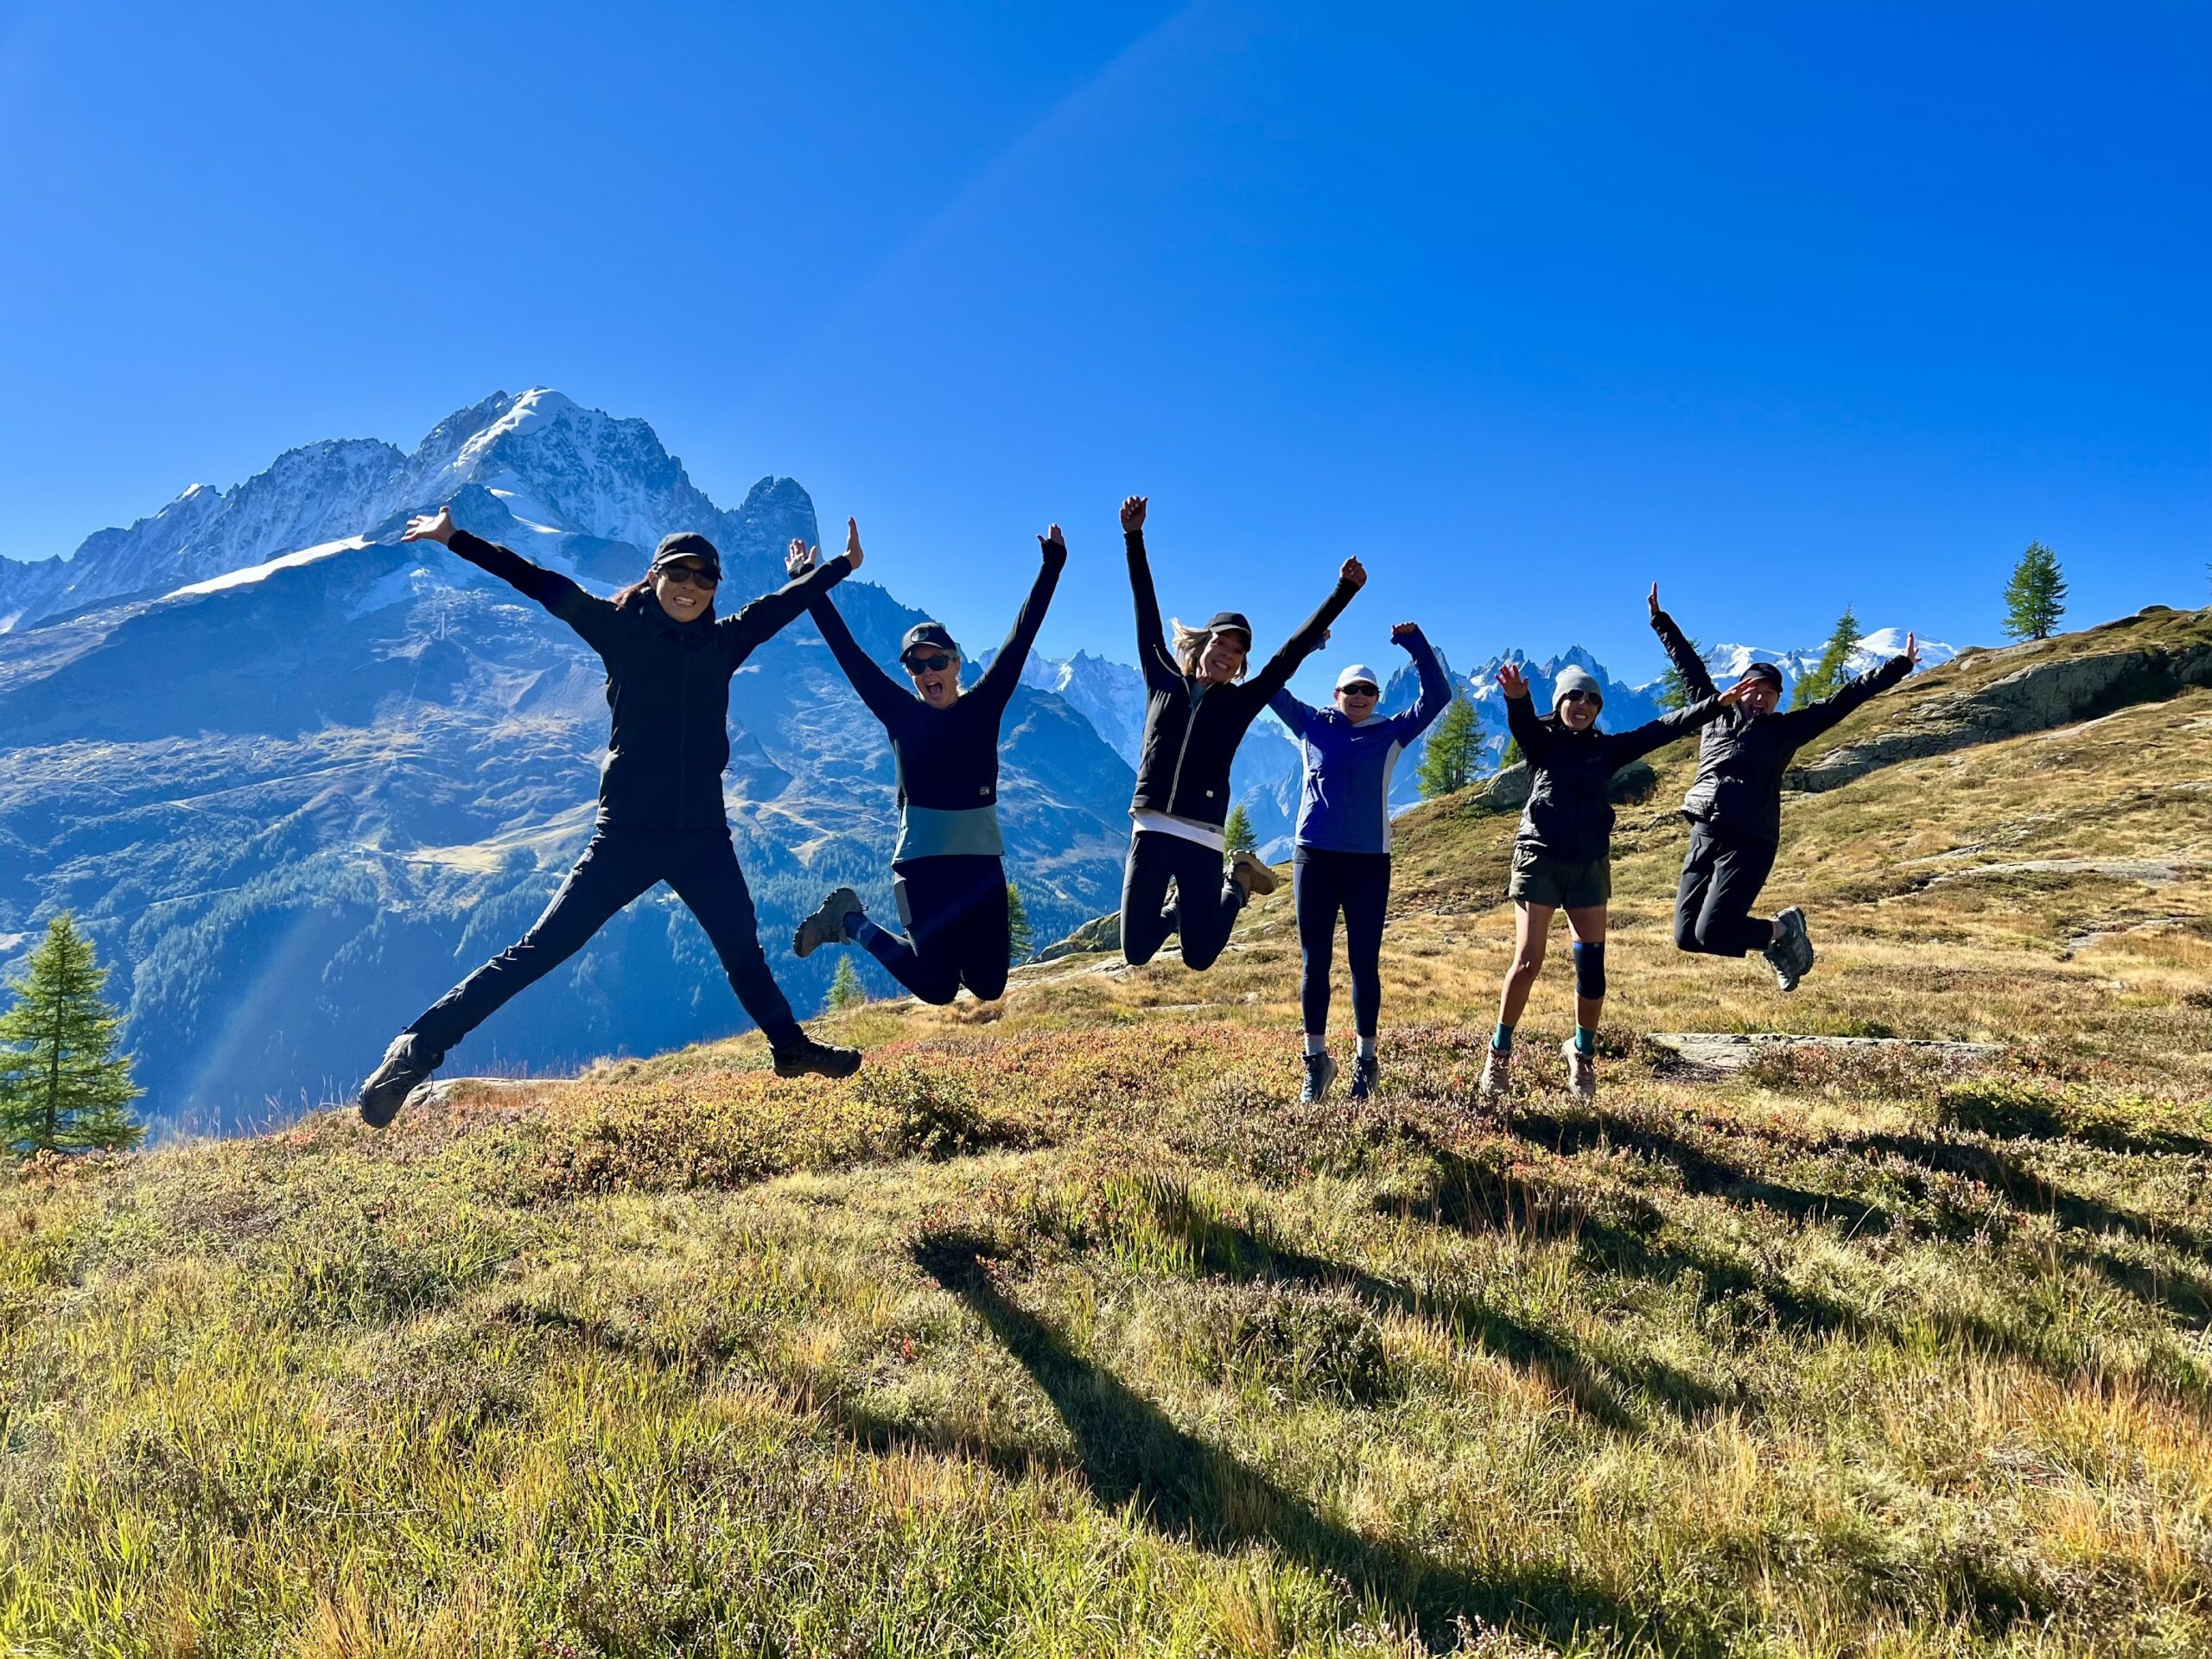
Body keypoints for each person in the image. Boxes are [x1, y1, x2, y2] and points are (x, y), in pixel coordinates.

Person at [354, 508, 866, 1127]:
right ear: (654, 578)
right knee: (540, 950)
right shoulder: (618, 631)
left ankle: (789, 1049)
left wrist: (841, 566)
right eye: (679, 573)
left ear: (713, 591)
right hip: (625, 835)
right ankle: (414, 1051)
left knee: (743, 952)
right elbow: (537, 580)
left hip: (702, 837)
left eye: (705, 580)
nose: (691, 587)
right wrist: (454, 537)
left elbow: (786, 603)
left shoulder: (725, 641)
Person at [788, 521, 1068, 1003]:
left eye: (936, 661)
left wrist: (1052, 567)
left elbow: (1021, 638)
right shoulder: (899, 712)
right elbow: (847, 652)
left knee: (990, 985)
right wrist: (805, 582)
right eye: (915, 666)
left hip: (980, 867)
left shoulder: (984, 705)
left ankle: (869, 926)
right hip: (922, 868)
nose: (927, 673)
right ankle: (849, 921)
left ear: (957, 664)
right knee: (938, 989)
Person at [1117, 494, 1365, 971]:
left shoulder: (1240, 702)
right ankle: (1175, 911)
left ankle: (1238, 883)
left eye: (1237, 652)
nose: (1227, 655)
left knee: (1200, 956)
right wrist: (1134, 537)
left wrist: (1342, 592)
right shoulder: (1163, 679)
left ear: (1241, 664)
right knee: (1135, 949)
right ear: (1201, 643)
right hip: (1150, 827)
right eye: (1221, 643)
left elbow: (1289, 655)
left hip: (1203, 836)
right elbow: (1146, 610)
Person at [1479, 660, 1741, 1103]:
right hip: (1539, 858)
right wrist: (1517, 699)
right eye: (1574, 696)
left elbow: (1663, 728)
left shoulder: (1609, 749)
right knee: (1528, 960)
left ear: (1598, 708)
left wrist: (1715, 704)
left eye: (1591, 699)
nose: (1583, 704)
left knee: (1591, 965)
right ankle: (1499, 1055)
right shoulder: (1542, 744)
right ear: (1560, 701)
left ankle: (1582, 1055)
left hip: (1588, 864)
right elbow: (1522, 723)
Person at [1648, 584, 1919, 992]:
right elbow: (1689, 665)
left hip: (1750, 838)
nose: (1759, 697)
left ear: (1777, 700)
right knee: (1687, 938)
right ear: (1737, 690)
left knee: (1714, 932)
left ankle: (1781, 933)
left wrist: (1896, 667)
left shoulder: (1787, 730)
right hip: (1705, 830)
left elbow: (1844, 700)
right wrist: (1660, 620)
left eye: (1769, 693)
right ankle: (1782, 933)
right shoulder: (1713, 710)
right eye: (1752, 689)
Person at [1268, 624, 1451, 1102]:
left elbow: (1438, 694)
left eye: (1369, 690)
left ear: (1376, 697)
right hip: (1314, 855)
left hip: (1370, 860)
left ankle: (1366, 1063)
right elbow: (1269, 685)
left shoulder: (1391, 732)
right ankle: (1316, 1062)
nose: (1361, 696)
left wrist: (1415, 645)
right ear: (1336, 693)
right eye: (1352, 689)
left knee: (1363, 964)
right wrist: (1307, 643)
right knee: (1315, 963)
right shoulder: (1313, 724)